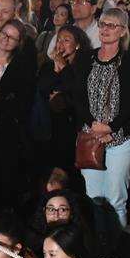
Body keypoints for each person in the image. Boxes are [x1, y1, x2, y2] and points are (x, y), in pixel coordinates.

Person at [71, 8, 130, 250]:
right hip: (90, 138)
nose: (105, 29)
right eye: (102, 24)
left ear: (122, 31)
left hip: (119, 139)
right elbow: (77, 96)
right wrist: (94, 124)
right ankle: (96, 250)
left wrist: (111, 127)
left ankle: (117, 254)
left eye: (112, 25)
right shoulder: (85, 58)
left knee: (115, 201)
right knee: (93, 199)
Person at [0, 16, 37, 212]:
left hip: (5, 131)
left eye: (12, 37)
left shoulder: (22, 65)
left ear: (19, 43)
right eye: (4, 33)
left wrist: (1, 99)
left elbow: (24, 100)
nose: (5, 39)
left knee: (2, 180)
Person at [32, 24, 89, 178]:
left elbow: (77, 91)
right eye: (59, 40)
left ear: (77, 45)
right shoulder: (47, 66)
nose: (61, 44)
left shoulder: (84, 67)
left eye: (66, 40)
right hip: (47, 126)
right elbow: (42, 88)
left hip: (71, 128)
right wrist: (56, 71)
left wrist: (64, 68)